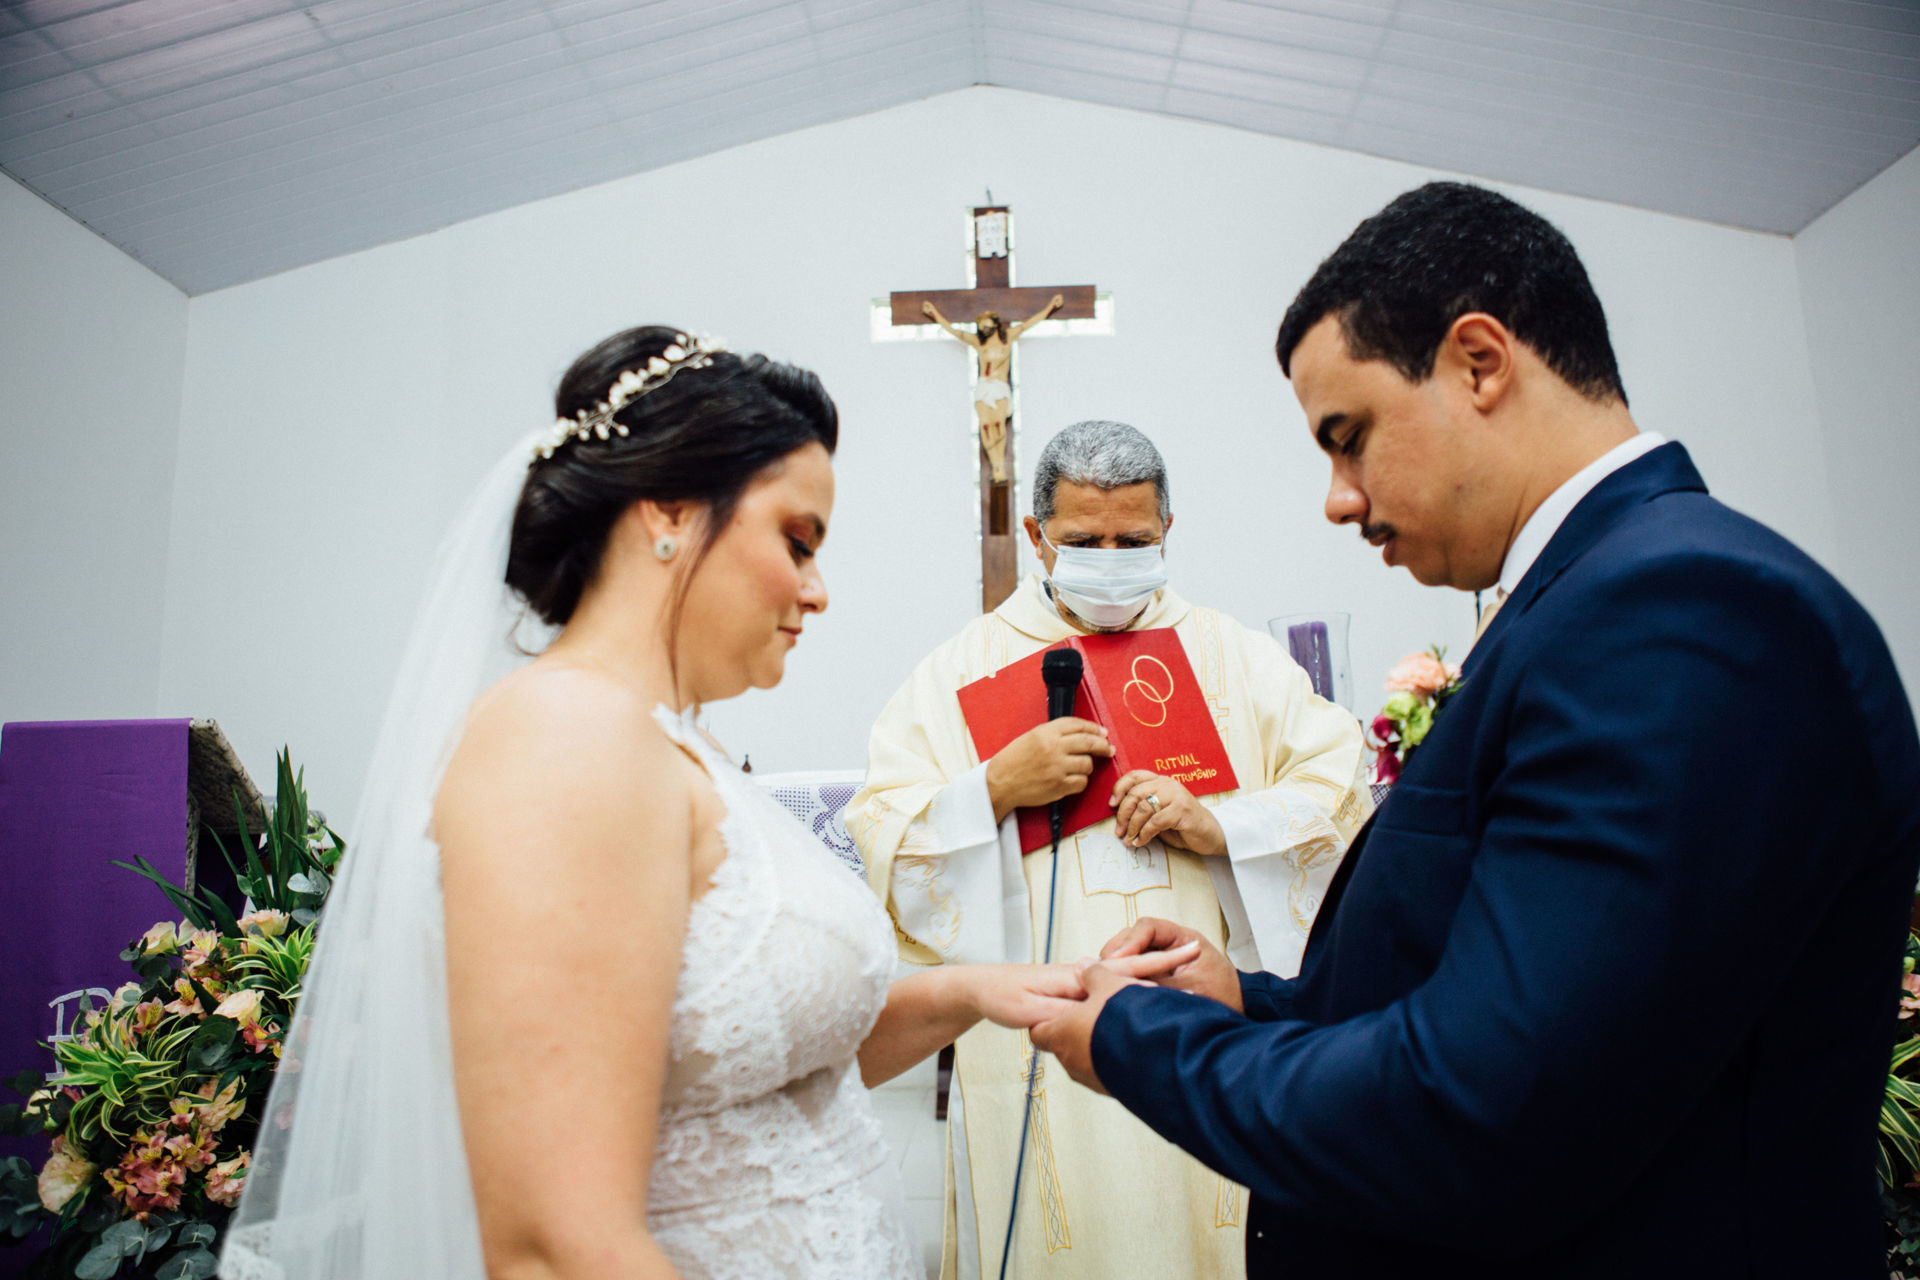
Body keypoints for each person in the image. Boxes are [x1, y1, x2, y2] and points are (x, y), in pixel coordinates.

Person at [1031, 183, 1920, 1278]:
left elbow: (1493, 1104)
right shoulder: (1597, 596)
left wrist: (1139, 1040)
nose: (1338, 499)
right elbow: (1517, 980)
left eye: (1348, 437)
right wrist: (1250, 1000)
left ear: (1480, 361)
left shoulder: (1685, 610)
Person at [219, 328, 1192, 1280]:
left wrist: (973, 990)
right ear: (670, 510)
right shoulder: (562, 738)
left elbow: (759, 1077)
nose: (817, 591)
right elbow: (554, 1246)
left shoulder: (677, 745)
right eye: (797, 539)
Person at [848, 419, 1371, 1279]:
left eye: (1133, 540)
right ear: (1036, 537)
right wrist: (992, 788)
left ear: (1168, 531)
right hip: (1041, 1025)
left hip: (1199, 1012)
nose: (1111, 556)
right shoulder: (958, 671)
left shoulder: (1232, 654)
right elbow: (885, 832)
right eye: (1084, 541)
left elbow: (1340, 792)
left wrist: (1221, 823)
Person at [921, 295, 1063, 483]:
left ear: (995, 324)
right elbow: (954, 332)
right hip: (983, 388)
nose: (982, 328)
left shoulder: (1008, 338)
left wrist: (1050, 307)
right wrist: (935, 314)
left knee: (998, 425)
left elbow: (1030, 323)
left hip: (1000, 387)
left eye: (985, 324)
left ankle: (1000, 466)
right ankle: (995, 465)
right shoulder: (979, 343)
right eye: (980, 325)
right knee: (986, 426)